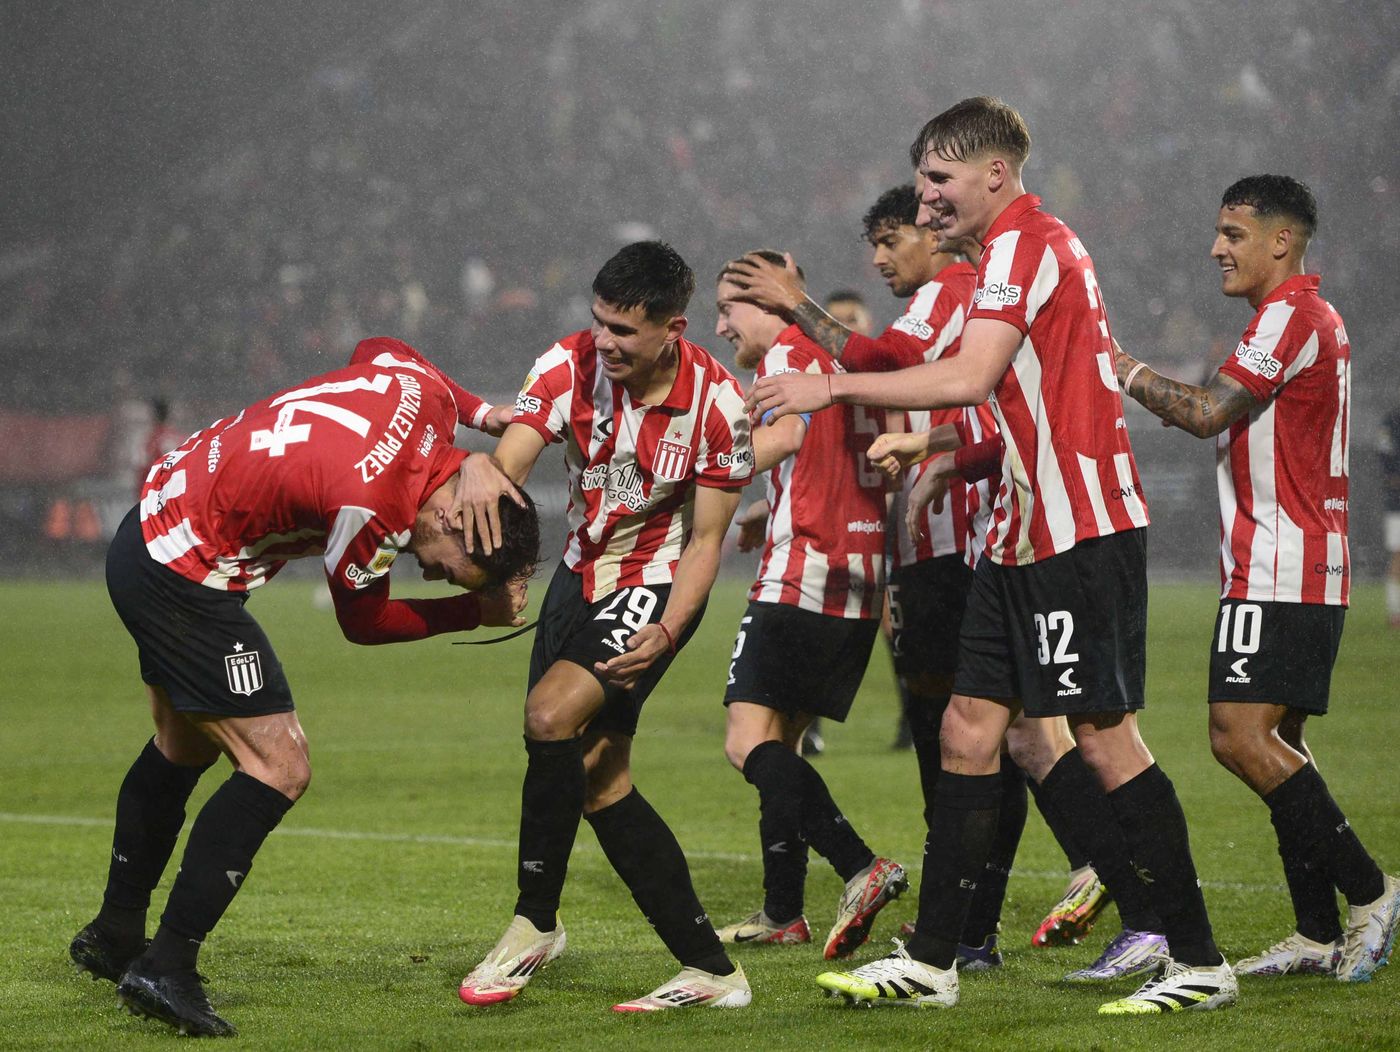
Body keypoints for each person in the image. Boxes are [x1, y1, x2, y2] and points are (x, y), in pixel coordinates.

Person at [749, 96, 1235, 1014]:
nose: (924, 201)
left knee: (1104, 738)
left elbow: (968, 379)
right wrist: (936, 447)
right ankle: (935, 961)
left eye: (938, 180)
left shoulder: (1027, 246)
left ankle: (1199, 961)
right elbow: (999, 396)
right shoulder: (1005, 255)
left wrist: (830, 384)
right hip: (1017, 536)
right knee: (970, 730)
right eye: (923, 180)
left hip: (1075, 530)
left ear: (994, 175)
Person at [68, 337, 540, 1037]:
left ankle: (114, 934)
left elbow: (380, 348)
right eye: (448, 568)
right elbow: (366, 620)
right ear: (451, 517)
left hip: (154, 527)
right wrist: (471, 610)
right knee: (278, 766)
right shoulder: (374, 507)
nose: (434, 575)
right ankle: (165, 964)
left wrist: (476, 418)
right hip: (181, 572)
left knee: (183, 746)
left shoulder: (431, 402)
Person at [453, 241, 756, 1012]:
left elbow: (709, 541)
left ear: (672, 328)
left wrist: (672, 628)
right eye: (599, 324)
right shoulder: (567, 366)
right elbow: (512, 463)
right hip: (577, 579)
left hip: (652, 586)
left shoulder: (720, 408)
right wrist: (488, 489)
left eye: (624, 330)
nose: (606, 343)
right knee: (598, 778)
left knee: (548, 715)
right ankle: (712, 970)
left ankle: (533, 922)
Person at [1113, 175, 1399, 982]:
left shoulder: (1290, 315)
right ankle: (1314, 933)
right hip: (1301, 563)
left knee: (1237, 736)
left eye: (1233, 234)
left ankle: (1372, 892)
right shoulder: (1314, 317)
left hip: (1280, 565)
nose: (1217, 249)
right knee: (1281, 742)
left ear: (1281, 241)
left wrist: (1121, 367)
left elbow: (1207, 412)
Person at [711, 252, 908, 959]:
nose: (721, 325)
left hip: (803, 574)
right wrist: (774, 504)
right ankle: (782, 911)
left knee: (746, 742)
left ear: (767, 302)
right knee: (784, 744)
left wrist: (699, 470)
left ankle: (860, 865)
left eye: (729, 308)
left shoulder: (787, 355)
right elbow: (826, 452)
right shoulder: (839, 357)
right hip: (859, 573)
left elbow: (787, 434)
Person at [1380, 399, 1400, 628]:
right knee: (1397, 556)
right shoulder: (1393, 419)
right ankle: (1395, 612)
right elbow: (1384, 453)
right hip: (1397, 501)